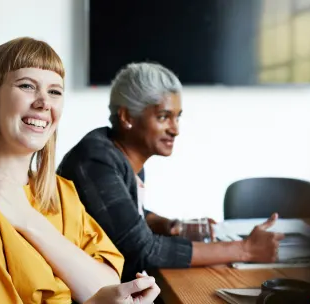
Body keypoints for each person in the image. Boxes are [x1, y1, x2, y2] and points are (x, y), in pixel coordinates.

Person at [0, 37, 160, 304]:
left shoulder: (62, 193)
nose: (44, 103)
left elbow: (107, 285)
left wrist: (29, 221)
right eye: (27, 86)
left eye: (55, 91)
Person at [57, 62, 285, 282]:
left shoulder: (117, 155)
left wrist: (170, 225)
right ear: (127, 117)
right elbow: (143, 251)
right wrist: (244, 249)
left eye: (177, 117)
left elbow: (124, 217)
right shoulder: (96, 161)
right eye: (163, 117)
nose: (175, 129)